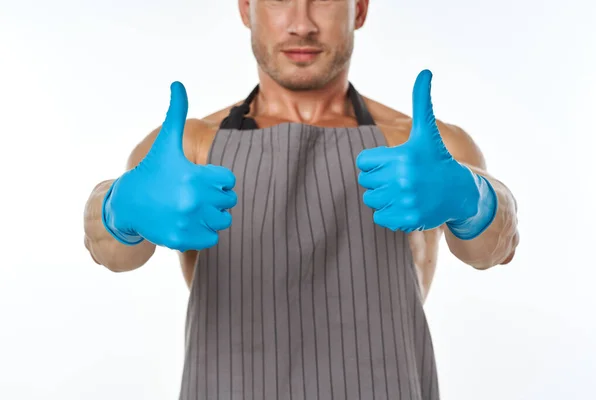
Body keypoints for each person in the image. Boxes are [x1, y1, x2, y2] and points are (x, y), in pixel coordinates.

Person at [83, 1, 520, 399]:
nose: (301, 24)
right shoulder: (191, 145)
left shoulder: (417, 144)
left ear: (360, 10)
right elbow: (113, 253)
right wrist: (118, 208)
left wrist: (473, 197)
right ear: (246, 9)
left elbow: (492, 250)